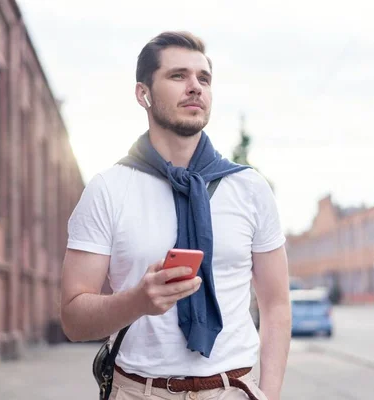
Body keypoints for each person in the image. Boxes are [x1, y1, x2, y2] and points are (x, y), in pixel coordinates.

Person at [60, 31, 290, 400]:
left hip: (233, 389)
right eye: (178, 75)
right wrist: (137, 301)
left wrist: (271, 393)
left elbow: (276, 303)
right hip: (140, 391)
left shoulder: (249, 188)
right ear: (143, 94)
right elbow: (73, 319)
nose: (195, 87)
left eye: (204, 78)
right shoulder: (109, 189)